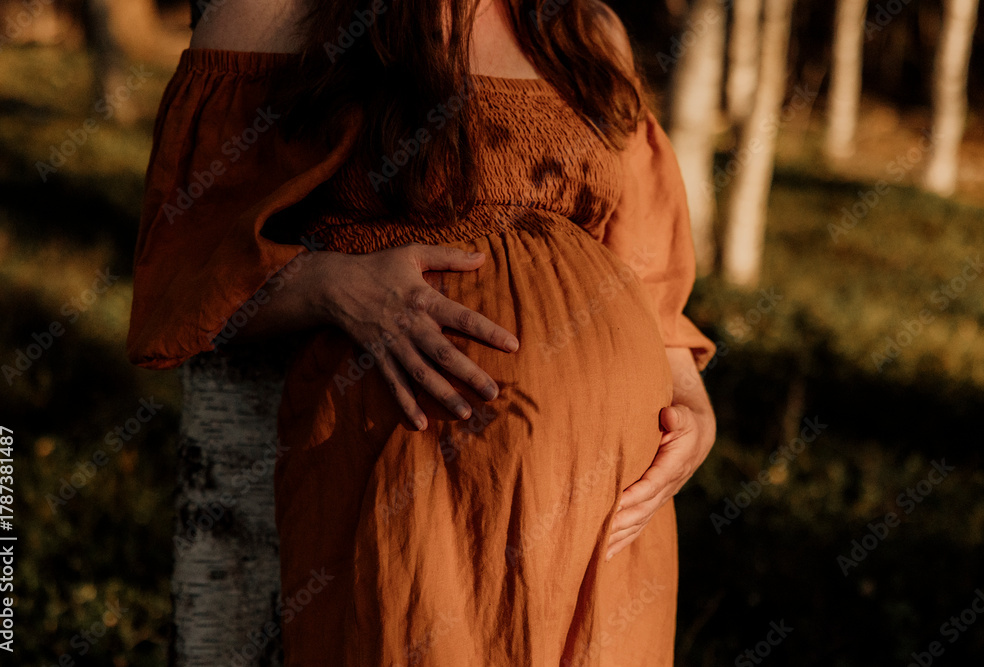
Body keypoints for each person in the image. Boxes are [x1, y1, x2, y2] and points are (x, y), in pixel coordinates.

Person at [127, 0, 717, 664]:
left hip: (615, 501)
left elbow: (645, 266)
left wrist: (690, 398)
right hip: (416, 478)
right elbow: (180, 271)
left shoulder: (582, 26)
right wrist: (329, 285)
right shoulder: (277, 13)